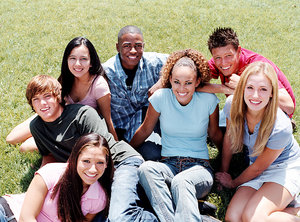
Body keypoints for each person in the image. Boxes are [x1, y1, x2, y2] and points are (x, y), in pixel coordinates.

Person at [21, 75, 158, 221]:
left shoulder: (82, 115)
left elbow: (101, 151)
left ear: (58, 96)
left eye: (47, 96)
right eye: (36, 99)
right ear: (32, 104)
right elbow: (48, 155)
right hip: (93, 175)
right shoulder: (36, 127)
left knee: (120, 217)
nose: (42, 103)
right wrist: (40, 184)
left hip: (119, 162)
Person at [130, 49, 223, 222]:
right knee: (146, 169)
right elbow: (145, 130)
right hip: (169, 165)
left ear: (197, 82)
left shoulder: (208, 100)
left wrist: (225, 167)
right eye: (176, 82)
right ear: (169, 80)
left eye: (188, 83)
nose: (181, 88)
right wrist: (125, 151)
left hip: (199, 168)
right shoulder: (160, 98)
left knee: (182, 182)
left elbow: (215, 134)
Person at [215, 61, 300, 221]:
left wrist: (233, 183)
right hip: (256, 165)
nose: (255, 96)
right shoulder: (232, 105)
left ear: (272, 93)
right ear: (242, 89)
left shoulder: (281, 126)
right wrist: (224, 172)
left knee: (253, 218)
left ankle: (296, 213)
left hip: (284, 168)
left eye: (263, 89)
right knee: (233, 217)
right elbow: (230, 137)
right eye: (250, 88)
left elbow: (258, 168)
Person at [6, 36, 118, 152]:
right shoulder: (66, 79)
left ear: (91, 62)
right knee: (11, 139)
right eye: (72, 58)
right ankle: (42, 132)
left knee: (25, 147)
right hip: (52, 115)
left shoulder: (98, 85)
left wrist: (114, 146)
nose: (77, 64)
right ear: (67, 60)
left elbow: (107, 120)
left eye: (83, 59)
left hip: (73, 130)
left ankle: (45, 138)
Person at [0, 133, 114, 222]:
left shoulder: (99, 199)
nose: (93, 169)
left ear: (107, 164)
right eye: (86, 161)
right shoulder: (50, 172)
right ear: (75, 159)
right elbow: (26, 218)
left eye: (100, 162)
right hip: (8, 213)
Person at [197, 27, 295, 128]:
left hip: (275, 110)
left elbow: (289, 106)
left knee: (230, 105)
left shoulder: (257, 66)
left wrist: (243, 85)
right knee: (206, 124)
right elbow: (192, 83)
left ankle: (281, 125)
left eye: (228, 56)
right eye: (217, 57)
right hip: (247, 106)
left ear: (239, 50)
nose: (223, 62)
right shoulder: (218, 61)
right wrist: (226, 89)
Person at [103, 25, 168, 160]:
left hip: (152, 120)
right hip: (123, 132)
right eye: (127, 46)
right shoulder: (107, 72)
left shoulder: (154, 62)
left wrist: (161, 82)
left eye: (138, 45)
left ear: (144, 46)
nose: (133, 51)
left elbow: (184, 58)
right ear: (117, 47)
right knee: (153, 154)